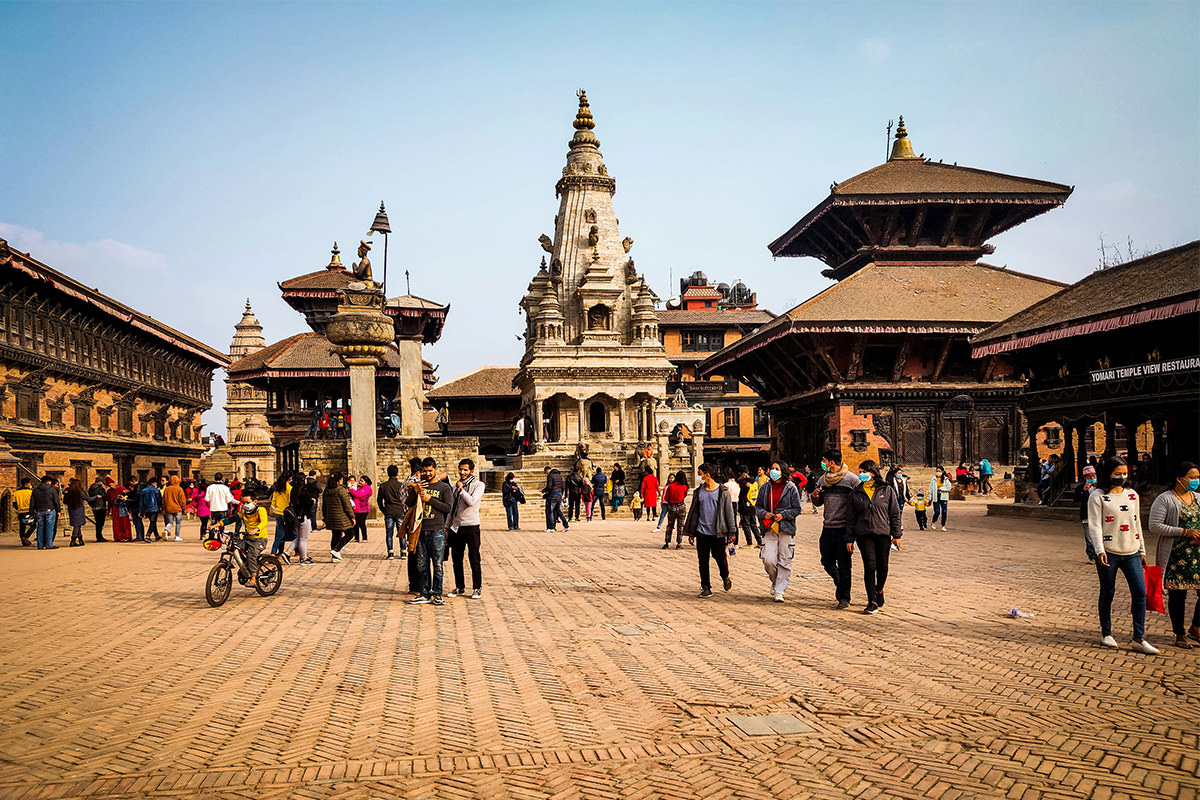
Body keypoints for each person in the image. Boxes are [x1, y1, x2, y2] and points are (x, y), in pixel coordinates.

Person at [1087, 456, 1157, 653]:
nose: (1122, 476)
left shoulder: (1132, 495)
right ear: (1108, 473)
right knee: (1108, 592)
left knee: (1140, 592)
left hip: (1132, 550)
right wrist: (1099, 550)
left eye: (1125, 473)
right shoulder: (1097, 496)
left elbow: (1136, 523)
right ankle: (1106, 633)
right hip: (1109, 553)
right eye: (1118, 473)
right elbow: (1095, 526)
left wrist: (1142, 549)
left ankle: (1138, 637)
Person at [1149, 462, 1200, 649]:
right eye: (1192, 477)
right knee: (1178, 595)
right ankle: (1180, 633)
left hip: (1198, 555)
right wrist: (1183, 531)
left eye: (1197, 477)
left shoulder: (1198, 498)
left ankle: (1196, 627)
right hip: (1176, 555)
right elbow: (1154, 526)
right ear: (1179, 479)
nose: (1196, 481)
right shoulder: (1165, 500)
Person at [849, 459, 902, 615]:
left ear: (873, 473)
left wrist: (897, 534)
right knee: (870, 566)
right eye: (860, 472)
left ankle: (879, 590)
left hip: (883, 533)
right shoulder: (856, 492)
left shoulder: (886, 490)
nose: (861, 475)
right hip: (864, 533)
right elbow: (851, 517)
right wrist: (849, 538)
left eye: (864, 472)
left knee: (883, 566)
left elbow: (895, 514)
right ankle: (871, 600)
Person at [810, 449, 861, 609]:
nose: (823, 463)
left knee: (845, 563)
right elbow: (819, 503)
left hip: (844, 528)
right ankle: (840, 582)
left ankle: (844, 597)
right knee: (826, 560)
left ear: (832, 462)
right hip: (828, 526)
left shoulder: (851, 480)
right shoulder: (822, 479)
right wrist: (815, 497)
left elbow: (860, 502)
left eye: (824, 460)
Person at [683, 463, 736, 598]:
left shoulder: (722, 492)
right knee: (703, 560)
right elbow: (694, 513)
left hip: (717, 531)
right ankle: (706, 586)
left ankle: (725, 576)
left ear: (707, 475)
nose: (699, 476)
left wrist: (732, 532)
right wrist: (691, 532)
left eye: (700, 473)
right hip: (702, 532)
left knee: (719, 557)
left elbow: (729, 513)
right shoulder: (698, 492)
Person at [755, 460, 803, 602]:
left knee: (784, 560)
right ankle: (776, 582)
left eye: (777, 468)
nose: (773, 471)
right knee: (768, 559)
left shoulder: (791, 488)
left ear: (783, 471)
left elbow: (796, 509)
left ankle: (780, 590)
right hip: (769, 528)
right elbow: (757, 507)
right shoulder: (765, 488)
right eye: (772, 468)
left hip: (785, 528)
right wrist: (764, 513)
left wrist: (784, 515)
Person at [407, 458, 453, 605]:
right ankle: (424, 593)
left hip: (437, 529)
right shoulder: (420, 485)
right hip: (420, 529)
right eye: (424, 471)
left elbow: (448, 508)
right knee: (422, 564)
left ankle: (437, 593)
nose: (427, 474)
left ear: (435, 470)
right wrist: (415, 491)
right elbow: (408, 503)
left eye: (430, 471)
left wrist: (429, 499)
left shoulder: (444, 488)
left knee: (438, 564)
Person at [445, 458, 485, 599]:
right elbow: (452, 509)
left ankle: (477, 588)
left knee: (474, 558)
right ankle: (460, 587)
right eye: (460, 469)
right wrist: (447, 526)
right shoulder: (455, 486)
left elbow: (472, 502)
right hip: (456, 526)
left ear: (471, 471)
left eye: (465, 470)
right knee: (456, 559)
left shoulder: (478, 485)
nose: (462, 472)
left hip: (471, 526)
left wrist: (461, 489)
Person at [322, 472, 356, 562]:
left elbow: (324, 505)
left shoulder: (327, 490)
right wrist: (352, 516)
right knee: (350, 533)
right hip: (341, 516)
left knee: (335, 535)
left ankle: (335, 557)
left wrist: (325, 516)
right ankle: (336, 550)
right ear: (339, 480)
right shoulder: (341, 490)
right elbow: (347, 505)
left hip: (331, 516)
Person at [239, 491, 269, 588]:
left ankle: (253, 578)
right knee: (235, 547)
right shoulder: (244, 512)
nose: (245, 505)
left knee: (251, 555)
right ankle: (246, 567)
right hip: (248, 537)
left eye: (248, 502)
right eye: (243, 503)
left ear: (255, 501)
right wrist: (218, 524)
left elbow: (264, 522)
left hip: (259, 538)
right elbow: (233, 518)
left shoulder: (261, 510)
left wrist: (256, 529)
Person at [378, 464, 407, 559]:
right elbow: (405, 499)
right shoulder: (401, 486)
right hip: (399, 511)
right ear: (397, 474)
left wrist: (383, 510)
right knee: (401, 532)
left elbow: (379, 500)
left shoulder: (383, 486)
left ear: (387, 473)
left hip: (389, 511)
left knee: (389, 532)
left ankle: (390, 552)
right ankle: (403, 552)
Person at [290, 472, 319, 565]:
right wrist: (312, 501)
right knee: (303, 539)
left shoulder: (293, 490)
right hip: (304, 516)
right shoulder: (303, 491)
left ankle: (288, 552)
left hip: (296, 515)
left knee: (299, 537)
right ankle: (303, 558)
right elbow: (307, 502)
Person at [64, 479, 101, 548]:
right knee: (77, 525)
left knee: (78, 525)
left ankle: (80, 539)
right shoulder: (79, 492)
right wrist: (96, 497)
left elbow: (64, 497)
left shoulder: (69, 491)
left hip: (71, 509)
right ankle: (73, 540)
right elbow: (88, 499)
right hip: (79, 509)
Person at [1073, 465, 1098, 562]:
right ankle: (1092, 556)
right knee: (1089, 537)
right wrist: (1083, 490)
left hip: (1098, 514)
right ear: (1085, 477)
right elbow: (1076, 499)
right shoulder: (1080, 487)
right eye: (1089, 476)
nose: (1092, 478)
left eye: (1093, 476)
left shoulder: (1100, 487)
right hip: (1086, 514)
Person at [31, 474, 61, 550]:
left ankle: (40, 545)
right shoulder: (52, 490)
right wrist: (58, 510)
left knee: (40, 527)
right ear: (48, 482)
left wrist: (31, 512)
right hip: (50, 510)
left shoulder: (35, 490)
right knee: (50, 527)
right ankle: (49, 544)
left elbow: (32, 502)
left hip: (39, 510)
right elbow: (56, 501)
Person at [660, 471, 689, 549]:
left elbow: (666, 497)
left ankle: (667, 543)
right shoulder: (684, 486)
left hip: (672, 506)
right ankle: (679, 543)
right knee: (680, 526)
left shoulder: (671, 486)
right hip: (681, 506)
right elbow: (685, 495)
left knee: (670, 525)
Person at [268, 473, 294, 558]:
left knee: (279, 534)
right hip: (287, 513)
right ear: (289, 478)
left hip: (278, 512)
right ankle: (295, 551)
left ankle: (274, 551)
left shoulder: (277, 489)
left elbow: (273, 502)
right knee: (295, 534)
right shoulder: (290, 489)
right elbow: (291, 501)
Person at [736, 466, 760, 548]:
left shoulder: (742, 483)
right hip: (753, 505)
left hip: (744, 507)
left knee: (746, 525)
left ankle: (749, 543)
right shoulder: (754, 482)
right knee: (754, 524)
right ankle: (759, 541)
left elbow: (739, 488)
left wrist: (740, 479)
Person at [542, 467, 569, 532]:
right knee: (558, 511)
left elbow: (549, 486)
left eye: (545, 471)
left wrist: (544, 490)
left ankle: (551, 527)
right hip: (559, 494)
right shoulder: (559, 476)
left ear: (547, 470)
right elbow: (562, 486)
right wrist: (562, 494)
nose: (546, 473)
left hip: (553, 494)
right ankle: (566, 525)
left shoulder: (550, 476)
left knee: (550, 511)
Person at [162, 475, 187, 542]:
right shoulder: (179, 489)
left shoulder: (166, 489)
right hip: (178, 509)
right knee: (178, 523)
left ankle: (166, 530)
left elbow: (164, 499)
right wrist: (184, 508)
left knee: (170, 522)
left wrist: (164, 507)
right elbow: (182, 500)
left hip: (169, 508)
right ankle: (177, 536)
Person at [349, 475, 372, 542]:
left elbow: (358, 494)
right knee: (355, 524)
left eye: (362, 481)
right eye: (360, 480)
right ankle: (356, 537)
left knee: (361, 523)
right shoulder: (358, 487)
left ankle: (364, 537)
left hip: (363, 509)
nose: (360, 482)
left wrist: (351, 489)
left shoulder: (367, 488)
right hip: (356, 509)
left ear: (366, 482)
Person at [139, 477, 163, 542]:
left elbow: (141, 502)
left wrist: (140, 511)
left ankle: (156, 535)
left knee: (153, 521)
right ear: (154, 483)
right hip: (154, 508)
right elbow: (159, 499)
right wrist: (161, 507)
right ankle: (148, 535)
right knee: (153, 522)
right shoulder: (156, 490)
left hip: (146, 509)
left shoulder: (143, 491)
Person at [928, 467, 952, 531]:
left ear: (942, 471)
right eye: (937, 471)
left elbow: (949, 487)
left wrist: (941, 489)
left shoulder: (946, 479)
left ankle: (943, 525)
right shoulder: (933, 479)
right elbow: (930, 489)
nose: (938, 472)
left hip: (943, 496)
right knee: (937, 511)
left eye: (939, 471)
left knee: (944, 511)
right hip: (936, 497)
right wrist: (930, 498)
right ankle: (933, 522)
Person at [13, 477, 34, 547]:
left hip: (21, 511)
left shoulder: (16, 493)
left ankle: (23, 541)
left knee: (22, 527)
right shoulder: (31, 492)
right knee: (34, 525)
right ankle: (26, 536)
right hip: (29, 511)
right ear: (27, 484)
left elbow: (14, 504)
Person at [88, 476, 109, 541]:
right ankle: (99, 537)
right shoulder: (100, 488)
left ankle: (98, 536)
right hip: (101, 506)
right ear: (100, 482)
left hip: (94, 506)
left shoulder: (91, 488)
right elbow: (105, 497)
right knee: (101, 522)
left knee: (97, 522)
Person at [126, 475, 145, 541]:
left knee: (137, 522)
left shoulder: (137, 488)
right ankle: (140, 536)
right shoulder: (142, 485)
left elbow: (136, 498)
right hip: (140, 506)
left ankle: (139, 536)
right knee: (139, 521)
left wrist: (126, 499)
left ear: (133, 481)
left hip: (136, 506)